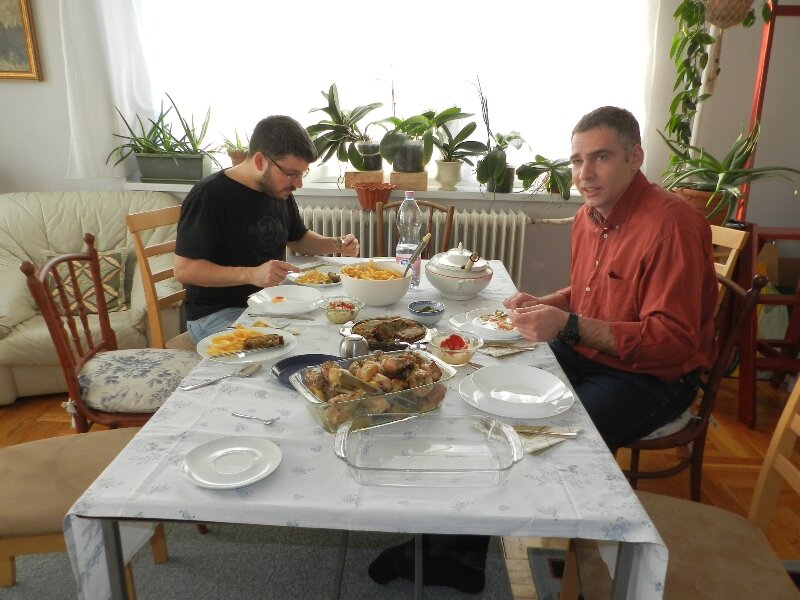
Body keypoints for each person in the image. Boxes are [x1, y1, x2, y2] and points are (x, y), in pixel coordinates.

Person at [504, 105, 718, 451]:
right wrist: (548, 304)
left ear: (635, 158)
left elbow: (671, 343)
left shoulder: (672, 227)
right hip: (584, 353)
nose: (584, 174)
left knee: (551, 443)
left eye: (600, 157)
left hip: (651, 377)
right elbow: (595, 290)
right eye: (577, 161)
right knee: (503, 387)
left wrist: (566, 325)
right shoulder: (586, 217)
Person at [174, 115, 360, 345]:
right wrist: (252, 274)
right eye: (291, 174)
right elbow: (184, 270)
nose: (298, 184)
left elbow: (298, 238)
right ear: (261, 161)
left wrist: (337, 244)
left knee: (336, 329)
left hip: (271, 303)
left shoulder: (277, 190)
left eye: (302, 174)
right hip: (217, 313)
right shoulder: (209, 195)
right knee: (296, 346)